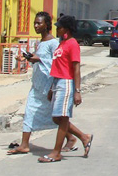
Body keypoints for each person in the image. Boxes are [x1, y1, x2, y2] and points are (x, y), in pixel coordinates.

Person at [7, 12, 78, 155]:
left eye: (39, 23)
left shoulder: (54, 43)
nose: (36, 26)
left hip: (49, 86)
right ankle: (24, 144)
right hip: (37, 86)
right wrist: (28, 58)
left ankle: (75, 137)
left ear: (47, 25)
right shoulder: (41, 43)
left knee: (57, 117)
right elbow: (40, 59)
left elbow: (56, 63)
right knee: (30, 112)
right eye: (35, 23)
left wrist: (39, 60)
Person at [38, 15, 93, 163]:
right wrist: (51, 88)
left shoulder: (72, 44)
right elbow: (57, 66)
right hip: (57, 83)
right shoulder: (62, 43)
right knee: (56, 117)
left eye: (59, 27)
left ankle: (56, 152)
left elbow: (76, 69)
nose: (57, 29)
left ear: (66, 29)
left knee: (62, 118)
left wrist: (77, 91)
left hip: (66, 84)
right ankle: (83, 137)